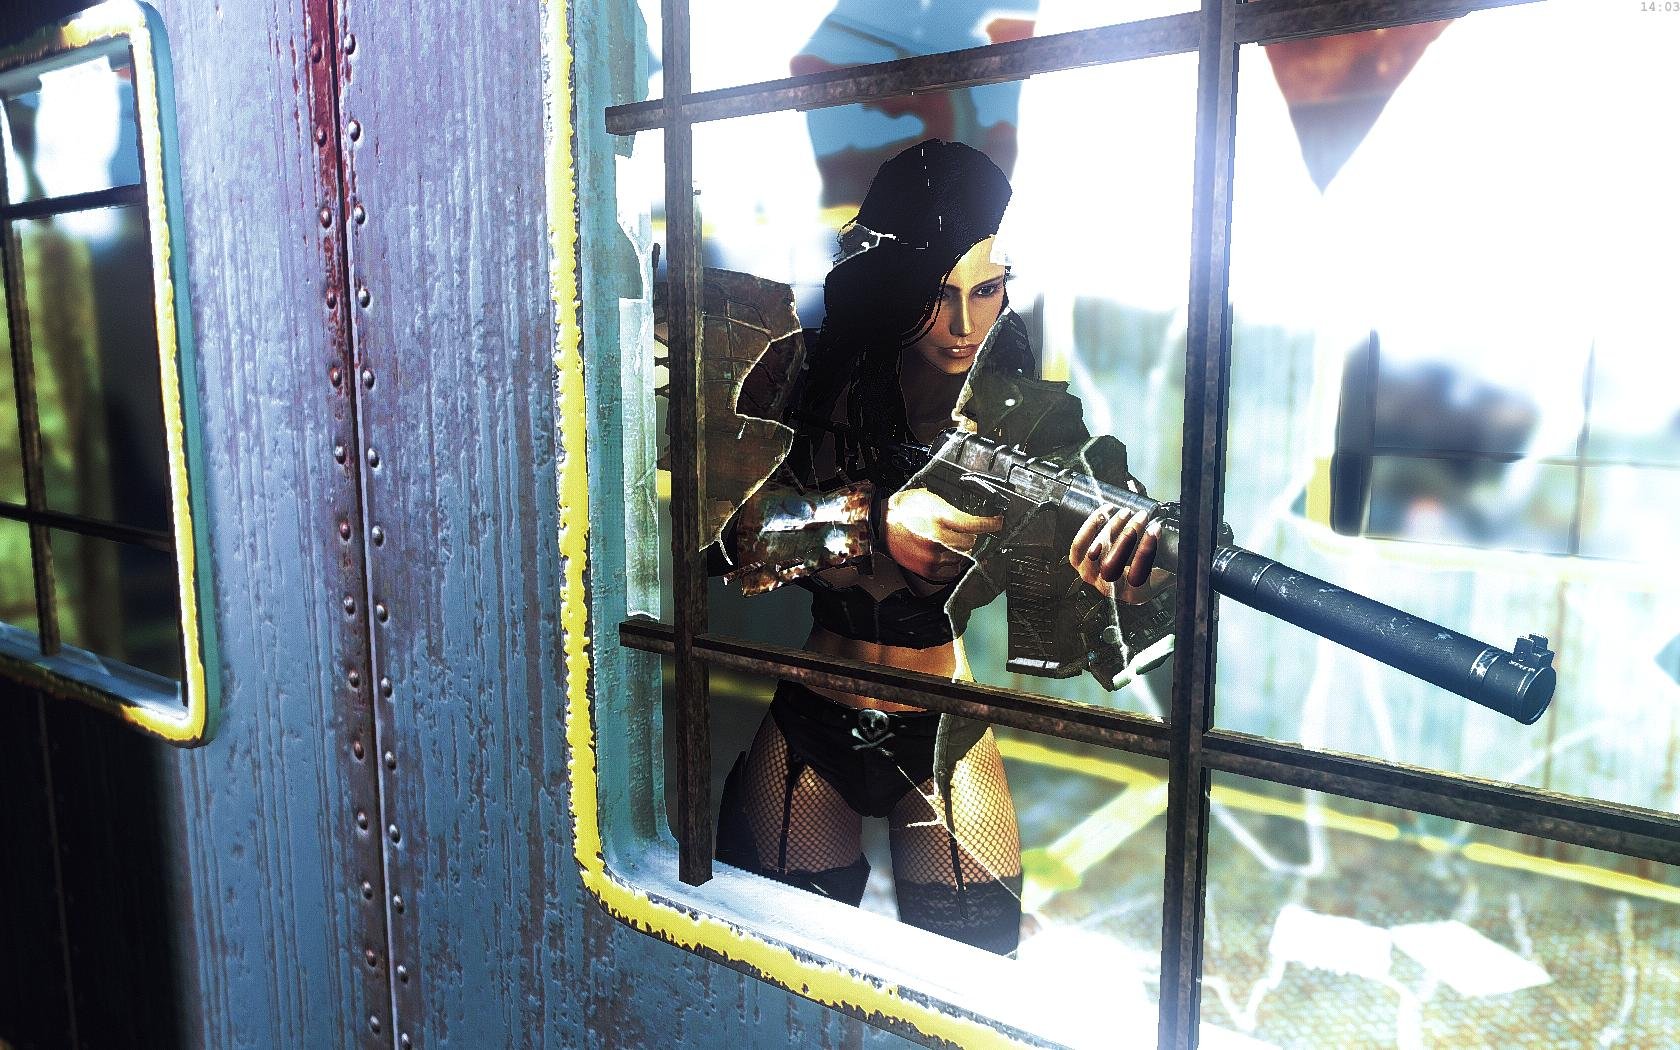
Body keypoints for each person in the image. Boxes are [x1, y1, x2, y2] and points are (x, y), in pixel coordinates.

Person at [708, 139, 1171, 956]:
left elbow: (1100, 590)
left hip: (943, 730)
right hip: (811, 715)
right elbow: (719, 540)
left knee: (975, 967)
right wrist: (868, 521)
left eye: (987, 290)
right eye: (938, 293)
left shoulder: (1031, 421)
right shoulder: (807, 381)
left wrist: (1133, 579)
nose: (964, 325)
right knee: (783, 964)